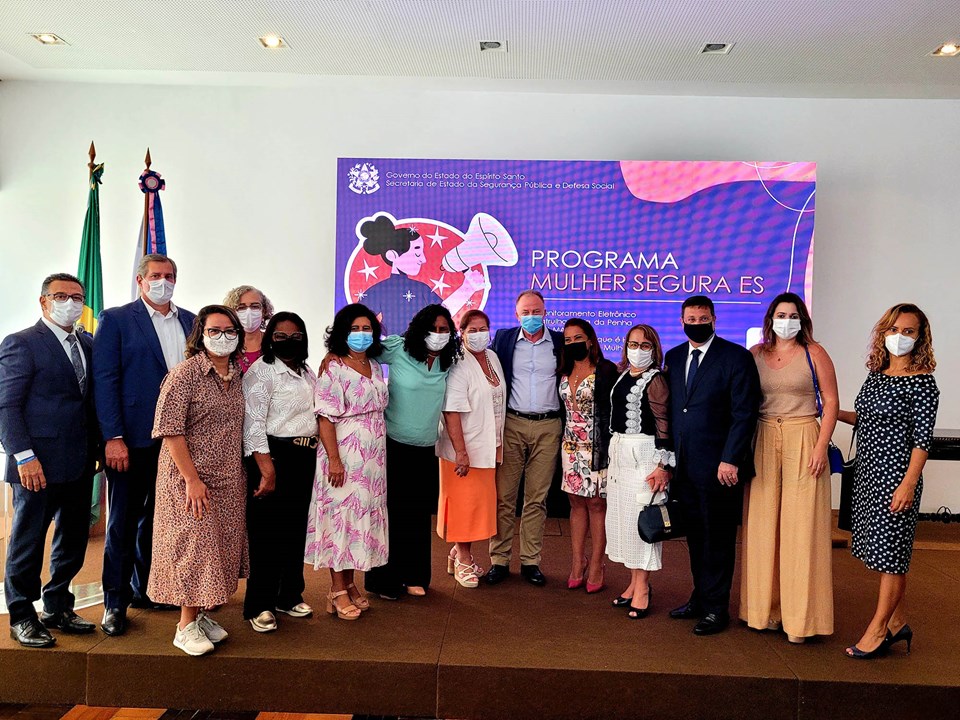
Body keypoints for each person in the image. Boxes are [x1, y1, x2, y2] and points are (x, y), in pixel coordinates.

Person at [93, 253, 196, 636]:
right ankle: (114, 603)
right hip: (132, 440)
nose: (162, 282)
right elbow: (105, 380)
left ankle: (146, 589)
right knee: (122, 523)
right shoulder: (116, 320)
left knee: (160, 521)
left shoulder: (191, 321)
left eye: (169, 276)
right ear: (140, 280)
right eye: (155, 275)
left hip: (179, 442)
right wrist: (113, 437)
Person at [0, 273, 99, 647]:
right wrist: (24, 457)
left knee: (72, 540)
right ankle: (22, 615)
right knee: (28, 541)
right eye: (61, 296)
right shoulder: (22, 343)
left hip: (79, 462)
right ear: (44, 301)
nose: (70, 303)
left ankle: (57, 606)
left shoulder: (87, 343)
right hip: (35, 465)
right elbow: (6, 405)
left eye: (77, 297)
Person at [146, 305, 249, 656]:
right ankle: (184, 625)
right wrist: (192, 479)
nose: (223, 337)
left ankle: (201, 615)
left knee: (218, 548)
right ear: (200, 335)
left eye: (230, 331)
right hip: (189, 479)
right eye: (214, 330)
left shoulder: (237, 375)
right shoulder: (184, 375)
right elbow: (170, 431)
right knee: (193, 549)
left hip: (227, 479)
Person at [838, 303, 939, 659]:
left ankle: (878, 630)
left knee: (892, 558)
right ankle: (898, 622)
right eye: (894, 329)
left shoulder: (923, 383)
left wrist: (908, 483)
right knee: (881, 553)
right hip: (869, 475)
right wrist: (832, 411)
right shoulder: (877, 373)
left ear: (920, 337)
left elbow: (922, 440)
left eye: (908, 331)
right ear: (883, 332)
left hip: (897, 478)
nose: (900, 336)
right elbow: (867, 419)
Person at [739, 293, 838, 643]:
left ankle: (800, 620)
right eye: (781, 315)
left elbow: (831, 402)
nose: (786, 321)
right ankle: (764, 611)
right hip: (763, 435)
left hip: (803, 435)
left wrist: (820, 446)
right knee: (762, 524)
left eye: (793, 315)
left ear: (802, 320)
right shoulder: (755, 354)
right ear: (770, 319)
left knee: (802, 527)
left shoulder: (815, 353)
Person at [665, 295, 761, 636]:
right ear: (682, 321)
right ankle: (700, 598)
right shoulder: (674, 357)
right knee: (694, 536)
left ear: (714, 320)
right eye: (691, 319)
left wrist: (731, 458)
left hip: (721, 468)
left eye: (703, 318)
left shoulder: (736, 357)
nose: (697, 324)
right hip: (684, 466)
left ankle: (717, 609)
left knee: (717, 538)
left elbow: (744, 413)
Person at [364, 304, 461, 600]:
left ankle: (415, 576)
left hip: (425, 449)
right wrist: (332, 356)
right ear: (419, 329)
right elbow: (361, 353)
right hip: (393, 445)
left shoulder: (448, 360)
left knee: (418, 516)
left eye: (444, 330)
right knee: (392, 513)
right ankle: (385, 580)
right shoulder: (399, 348)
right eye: (433, 329)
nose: (438, 334)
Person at [306, 303, 389, 620]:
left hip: (372, 462)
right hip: (343, 455)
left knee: (358, 522)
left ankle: (350, 583)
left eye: (367, 328)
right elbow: (325, 418)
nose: (361, 334)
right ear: (342, 332)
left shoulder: (375, 365)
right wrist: (335, 461)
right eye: (355, 329)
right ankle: (336, 590)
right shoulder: (333, 367)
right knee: (339, 520)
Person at [242, 312, 317, 632]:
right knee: (267, 534)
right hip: (273, 456)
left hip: (305, 457)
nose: (288, 341)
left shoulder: (306, 371)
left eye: (296, 336)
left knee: (294, 530)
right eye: (281, 336)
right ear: (270, 338)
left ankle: (288, 595)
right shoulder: (261, 372)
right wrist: (266, 469)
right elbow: (252, 424)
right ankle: (260, 604)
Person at [487, 290, 564, 586]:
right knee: (504, 497)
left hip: (549, 426)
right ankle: (499, 560)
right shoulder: (504, 339)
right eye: (526, 312)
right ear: (516, 315)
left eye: (536, 311)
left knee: (536, 499)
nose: (531, 317)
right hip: (512, 424)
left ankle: (531, 561)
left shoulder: (559, 342)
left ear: (545, 312)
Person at [605, 324, 673, 619]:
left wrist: (663, 465)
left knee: (643, 521)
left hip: (645, 456)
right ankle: (633, 582)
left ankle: (643, 587)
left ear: (654, 349)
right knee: (624, 521)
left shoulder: (656, 379)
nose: (638, 350)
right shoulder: (623, 374)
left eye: (645, 345)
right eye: (633, 344)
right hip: (620, 454)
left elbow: (664, 423)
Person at [436, 310, 506, 587]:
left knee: (477, 506)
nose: (479, 334)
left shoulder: (493, 358)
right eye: (472, 330)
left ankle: (457, 553)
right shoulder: (457, 362)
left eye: (483, 329)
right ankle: (463, 558)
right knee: (463, 506)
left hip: (487, 444)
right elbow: (451, 410)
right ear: (461, 333)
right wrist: (461, 452)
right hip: (462, 450)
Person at [557, 319, 617, 593]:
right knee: (576, 503)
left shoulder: (606, 370)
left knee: (596, 504)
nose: (573, 343)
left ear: (590, 340)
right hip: (570, 447)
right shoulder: (563, 369)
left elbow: (613, 412)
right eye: (568, 340)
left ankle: (596, 564)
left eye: (578, 338)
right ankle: (576, 562)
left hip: (597, 447)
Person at [358, 215, 483, 334]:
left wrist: (468, 287)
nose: (423, 259)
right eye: (417, 253)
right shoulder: (380, 291)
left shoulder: (420, 288)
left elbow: (441, 312)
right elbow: (359, 320)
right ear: (392, 255)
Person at [223, 285, 275, 374]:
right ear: (232, 313)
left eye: (255, 306)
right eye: (241, 307)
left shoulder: (274, 342)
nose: (248, 312)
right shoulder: (225, 346)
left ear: (264, 311)